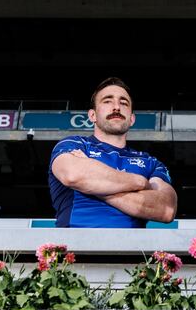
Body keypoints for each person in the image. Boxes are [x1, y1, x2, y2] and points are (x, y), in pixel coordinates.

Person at [49, 77, 177, 227]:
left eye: (124, 103)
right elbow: (73, 176)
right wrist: (140, 182)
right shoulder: (74, 144)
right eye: (107, 101)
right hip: (75, 246)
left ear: (132, 119)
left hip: (130, 249)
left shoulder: (151, 163)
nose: (116, 107)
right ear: (92, 115)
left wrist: (93, 185)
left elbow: (166, 210)